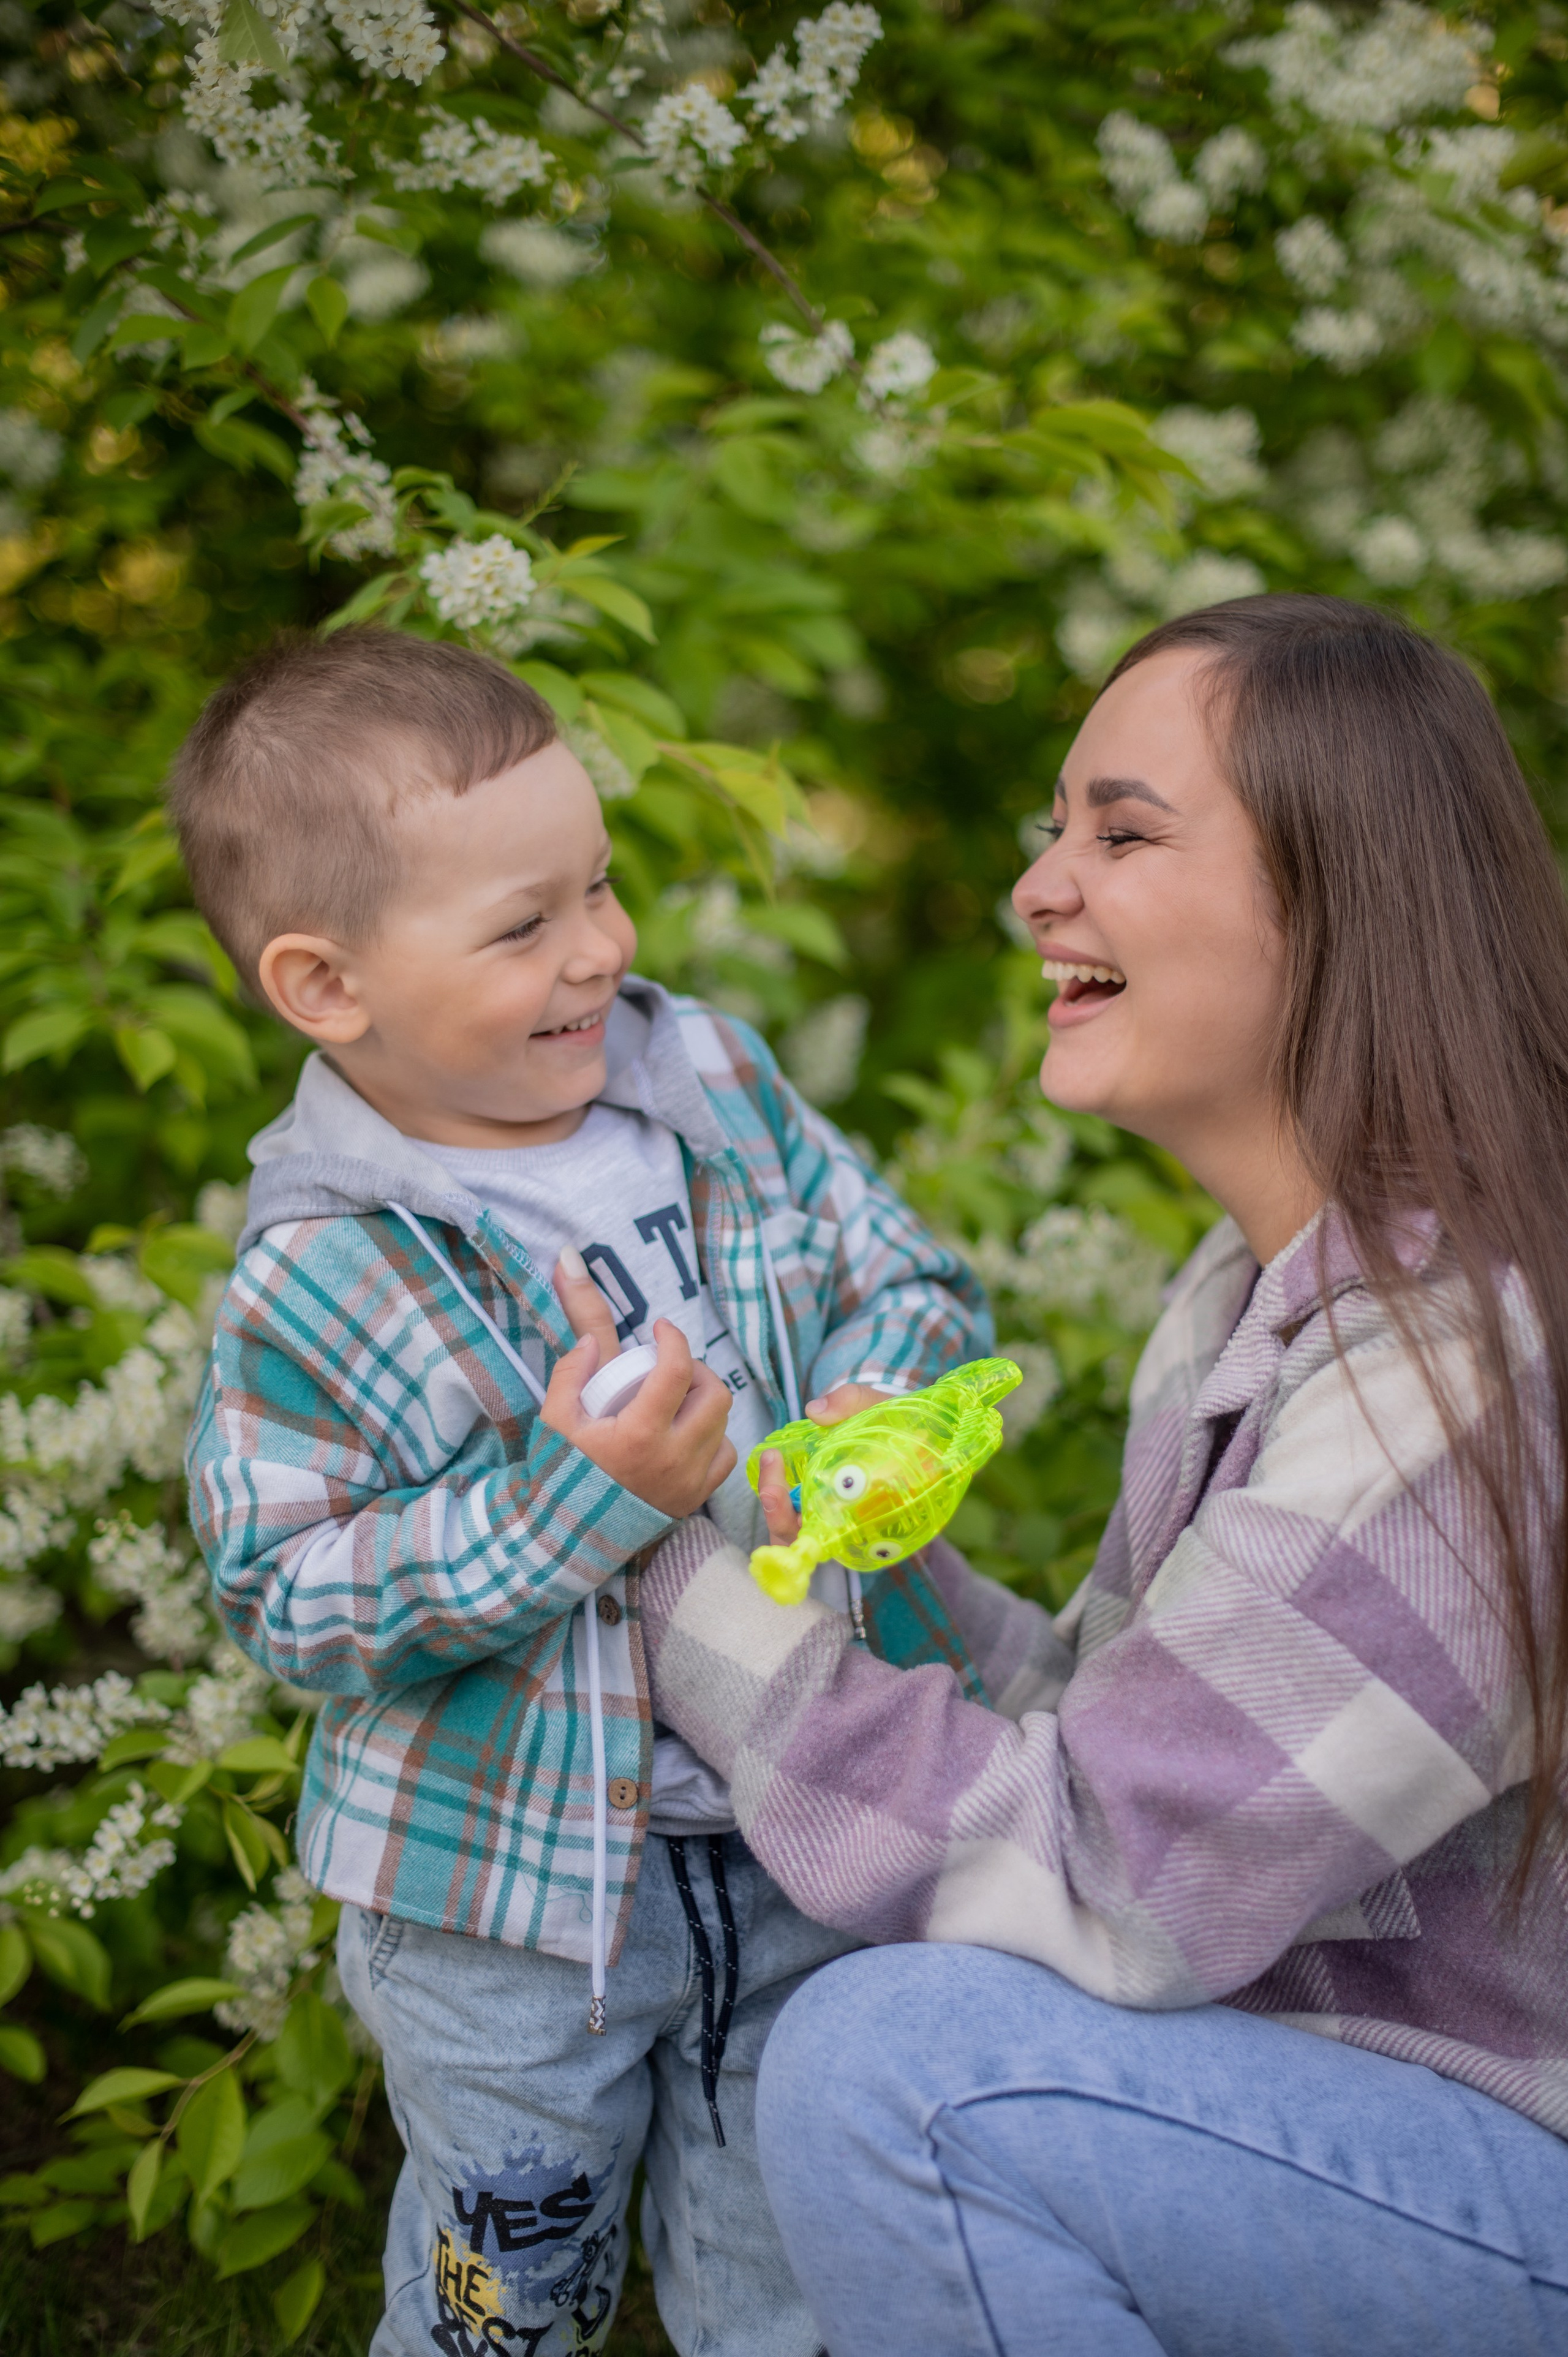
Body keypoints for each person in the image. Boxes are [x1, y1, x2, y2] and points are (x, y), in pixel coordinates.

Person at [633, 595, 1568, 2356]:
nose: (1039, 888)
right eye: (1052, 828)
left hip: (1522, 2174)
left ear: (1343, 893)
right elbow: (1130, 1744)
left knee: (904, 2075)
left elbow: (1114, 1884)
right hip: (1385, 2133)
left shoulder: (1461, 1358)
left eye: (1122, 832)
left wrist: (666, 1588)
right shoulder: (1261, 1296)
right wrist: (834, 1557)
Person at [173, 627, 991, 2357]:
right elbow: (290, 1598)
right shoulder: (323, 1273)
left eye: (601, 890)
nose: (600, 950)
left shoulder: (709, 1085)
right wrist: (578, 1502)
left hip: (793, 1821)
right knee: (506, 2287)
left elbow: (903, 1279)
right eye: (524, 926)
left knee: (793, 2259)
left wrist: (880, 1405)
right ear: (328, 987)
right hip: (507, 1915)